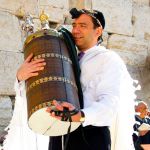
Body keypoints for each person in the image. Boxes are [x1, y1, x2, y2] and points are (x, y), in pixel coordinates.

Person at [2, 8, 136, 150]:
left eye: (82, 26)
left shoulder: (108, 59)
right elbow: (37, 90)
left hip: (90, 136)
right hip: (58, 132)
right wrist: (21, 77)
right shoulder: (64, 57)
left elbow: (110, 104)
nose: (76, 30)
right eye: (74, 25)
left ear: (98, 31)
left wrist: (81, 116)